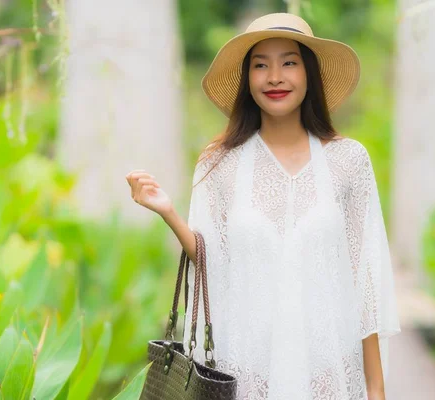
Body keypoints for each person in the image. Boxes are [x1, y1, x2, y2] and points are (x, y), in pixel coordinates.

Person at [126, 13, 401, 400]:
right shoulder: (218, 163)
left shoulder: (348, 160)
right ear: (247, 79)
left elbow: (365, 282)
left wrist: (375, 388)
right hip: (248, 369)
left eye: (289, 62)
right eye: (260, 65)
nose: (275, 77)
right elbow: (213, 264)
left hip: (329, 372)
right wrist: (169, 212)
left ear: (309, 74)